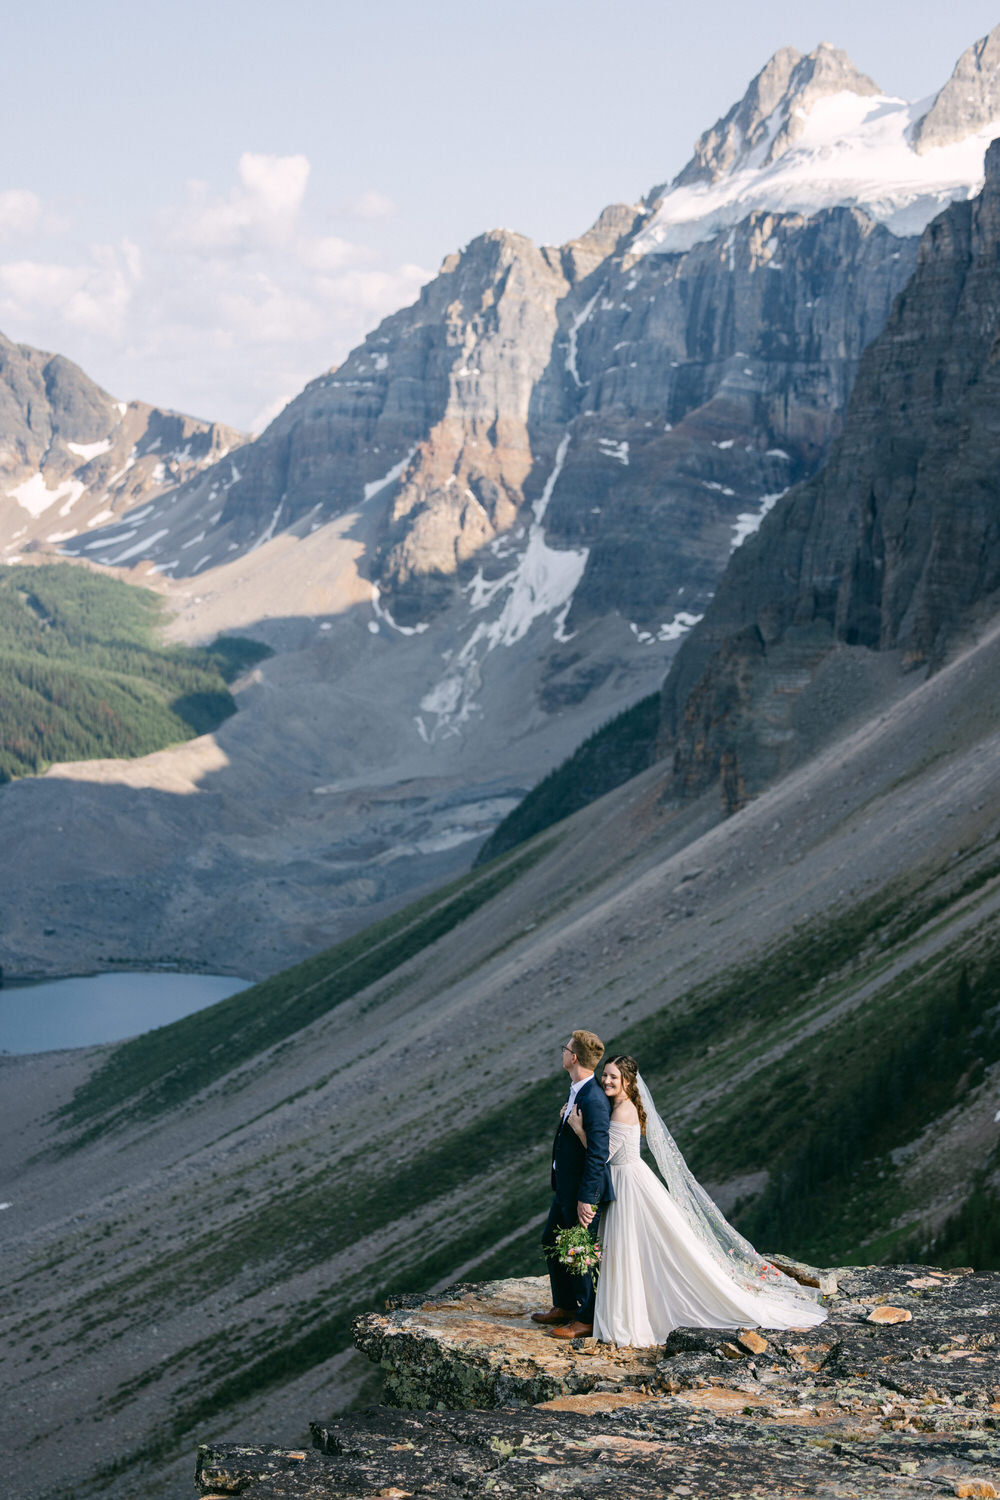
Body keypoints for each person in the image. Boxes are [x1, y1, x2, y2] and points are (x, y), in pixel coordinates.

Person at [565, 1054, 827, 1346]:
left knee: (634, 1247)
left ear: (628, 1081)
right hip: (626, 1180)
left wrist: (579, 1130)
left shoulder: (623, 1110)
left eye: (614, 1076)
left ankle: (635, 1312)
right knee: (638, 1249)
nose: (606, 1081)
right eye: (605, 1075)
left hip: (628, 1182)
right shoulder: (621, 1106)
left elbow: (603, 1154)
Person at [531, 1029, 615, 1340]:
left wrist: (587, 1199)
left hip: (580, 1193)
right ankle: (565, 1305)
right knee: (552, 1242)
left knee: (582, 1256)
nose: (562, 1053)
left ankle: (587, 1319)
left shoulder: (592, 1098)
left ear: (574, 1057)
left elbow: (598, 1154)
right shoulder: (579, 1091)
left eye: (565, 1048)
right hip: (565, 1189)